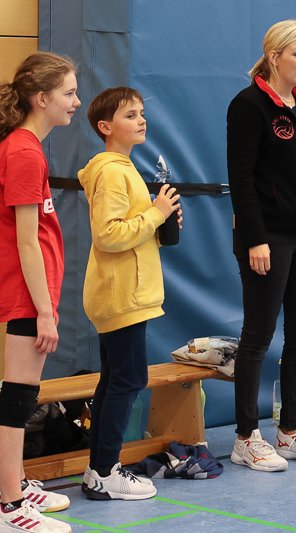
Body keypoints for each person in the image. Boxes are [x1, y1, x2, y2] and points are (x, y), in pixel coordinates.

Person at [226, 19, 296, 472]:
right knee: (257, 336)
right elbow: (242, 179)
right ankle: (245, 437)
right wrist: (255, 239)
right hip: (267, 239)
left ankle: (291, 430)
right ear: (274, 56)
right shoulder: (249, 105)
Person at [0, 51, 80, 533]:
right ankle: (11, 506)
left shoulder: (27, 149)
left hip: (32, 293)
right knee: (18, 397)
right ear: (41, 98)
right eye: (68, 93)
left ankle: (17, 483)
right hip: (26, 294)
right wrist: (44, 311)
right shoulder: (23, 153)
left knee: (25, 392)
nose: (75, 102)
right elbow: (25, 240)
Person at [78, 87, 182, 499]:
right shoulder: (112, 172)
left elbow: (128, 231)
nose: (140, 120)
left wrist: (158, 223)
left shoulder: (122, 168)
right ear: (106, 127)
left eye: (141, 113)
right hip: (121, 295)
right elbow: (108, 235)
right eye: (129, 115)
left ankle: (98, 469)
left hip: (125, 293)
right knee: (128, 379)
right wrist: (155, 214)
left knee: (116, 380)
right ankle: (106, 471)